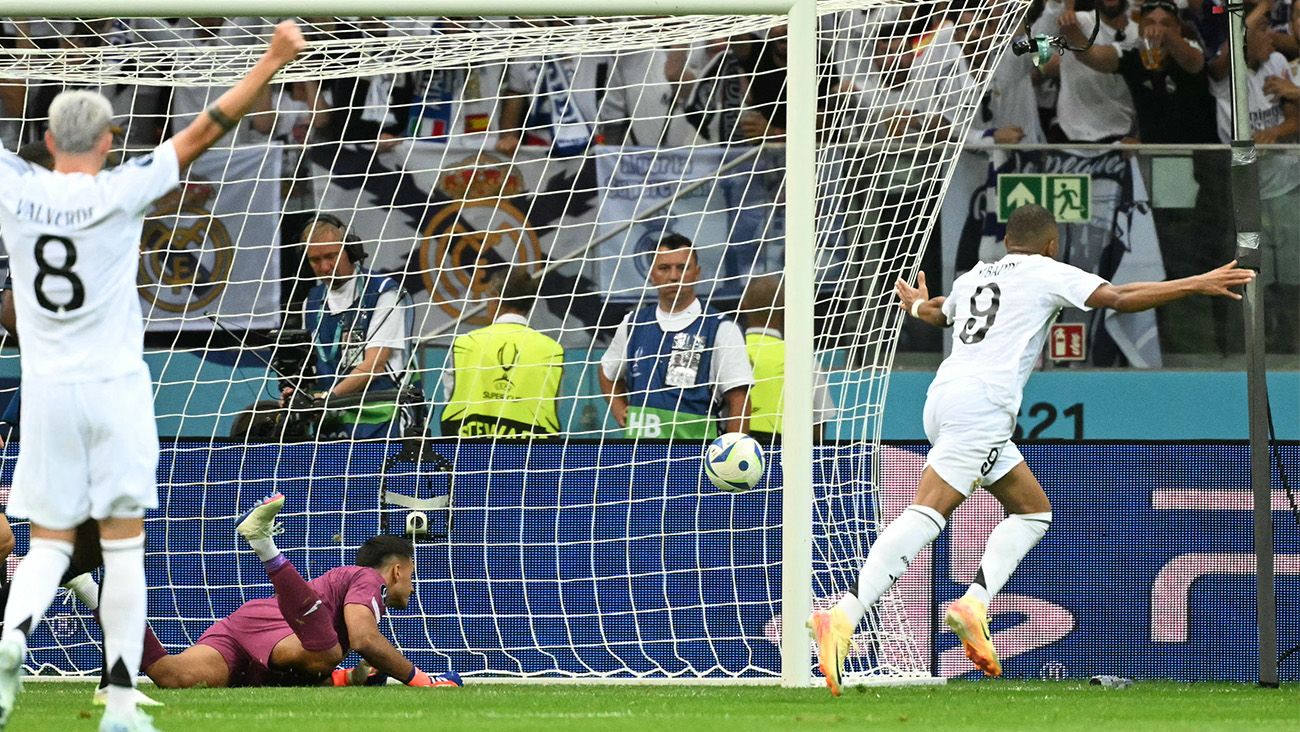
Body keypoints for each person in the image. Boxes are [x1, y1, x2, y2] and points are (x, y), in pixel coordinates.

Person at [806, 204, 1254, 696]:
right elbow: (1120, 297)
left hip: (947, 398)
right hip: (983, 404)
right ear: (1051, 243)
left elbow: (939, 313)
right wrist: (1196, 282)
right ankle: (843, 615)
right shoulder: (1048, 271)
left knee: (1033, 512)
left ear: (1005, 242)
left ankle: (973, 603)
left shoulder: (975, 275)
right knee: (929, 510)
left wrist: (913, 305)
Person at [0, 21, 305, 732]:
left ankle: (11, 637)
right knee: (121, 544)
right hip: (114, 388)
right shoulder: (124, 187)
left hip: (45, 391)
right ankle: (120, 699)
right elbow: (209, 125)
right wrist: (272, 59)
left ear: (45, 141)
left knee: (47, 544)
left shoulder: (15, 187)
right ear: (108, 142)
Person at [129, 495, 460, 690]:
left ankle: (88, 589)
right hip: (280, 627)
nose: (413, 588)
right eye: (412, 577)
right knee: (325, 655)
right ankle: (263, 542)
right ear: (397, 571)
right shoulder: (368, 578)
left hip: (250, 628)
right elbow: (364, 640)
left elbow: (305, 668)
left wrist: (349, 677)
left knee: (169, 676)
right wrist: (424, 681)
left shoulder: (347, 590)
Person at [599, 234, 753, 440]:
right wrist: (619, 409)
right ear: (652, 274)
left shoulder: (720, 327)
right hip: (638, 456)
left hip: (694, 458)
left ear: (697, 273)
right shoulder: (633, 323)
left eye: (682, 268)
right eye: (664, 268)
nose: (674, 276)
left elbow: (739, 401)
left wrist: (732, 454)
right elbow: (607, 372)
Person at [287, 214, 420, 440]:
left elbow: (374, 364)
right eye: (315, 260)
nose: (325, 267)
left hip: (382, 417)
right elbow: (311, 364)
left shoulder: (384, 293)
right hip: (332, 423)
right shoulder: (311, 302)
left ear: (350, 251)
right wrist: (300, 392)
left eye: (331, 256)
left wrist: (327, 399)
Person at [440, 269, 564, 438]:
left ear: (495, 298)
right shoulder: (551, 351)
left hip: (470, 455)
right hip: (532, 457)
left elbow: (450, 397)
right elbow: (553, 405)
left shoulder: (466, 344)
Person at [739, 275, 836, 445]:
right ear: (786, 308)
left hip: (734, 452)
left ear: (743, 306)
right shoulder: (801, 357)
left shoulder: (729, 351)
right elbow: (819, 420)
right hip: (787, 455)